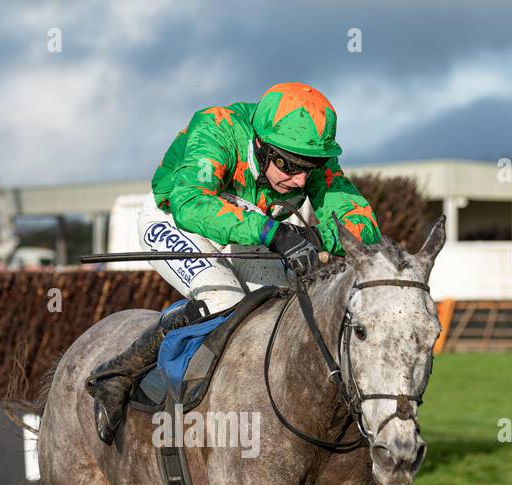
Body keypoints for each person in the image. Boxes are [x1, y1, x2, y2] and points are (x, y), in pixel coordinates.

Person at [86, 82, 383, 443]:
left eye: (312, 167)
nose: (301, 178)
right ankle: (121, 373)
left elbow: (362, 225)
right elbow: (191, 202)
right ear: (260, 144)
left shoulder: (305, 158)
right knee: (223, 301)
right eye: (288, 165)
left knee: (282, 309)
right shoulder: (216, 127)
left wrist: (318, 238)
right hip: (173, 217)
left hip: (247, 225)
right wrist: (272, 233)